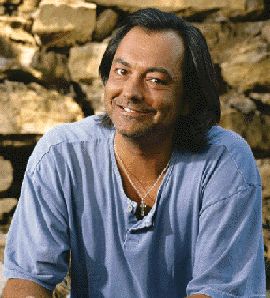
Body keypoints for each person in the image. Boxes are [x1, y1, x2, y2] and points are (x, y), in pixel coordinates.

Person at [3, 8, 266, 298]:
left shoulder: (224, 163)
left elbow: (218, 290)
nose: (130, 91)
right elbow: (26, 279)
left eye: (155, 80)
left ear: (188, 99)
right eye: (122, 71)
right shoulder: (62, 155)